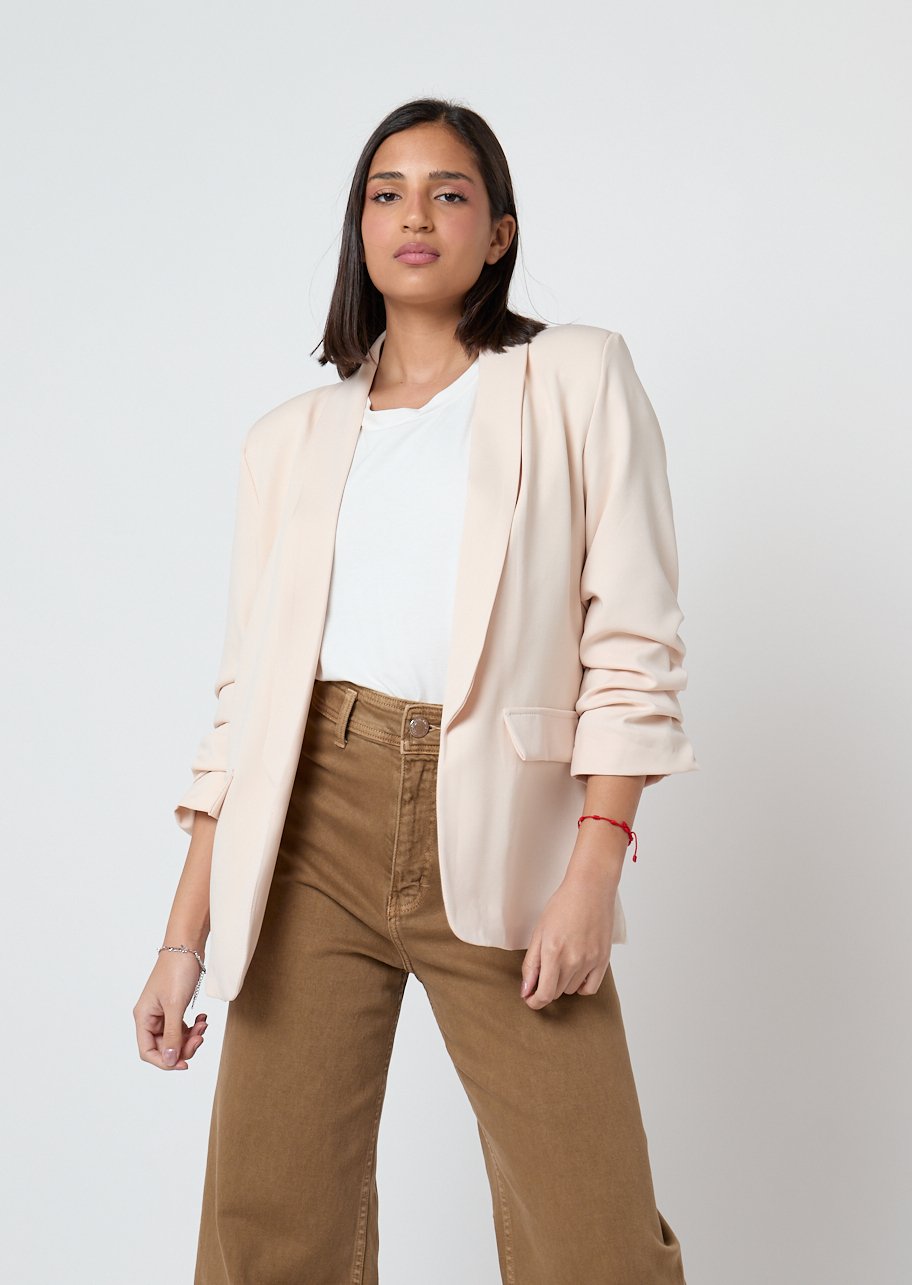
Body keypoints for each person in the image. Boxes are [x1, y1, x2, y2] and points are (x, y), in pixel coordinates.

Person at [133, 96, 700, 1284]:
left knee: (594, 1235)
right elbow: (244, 712)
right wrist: (184, 939)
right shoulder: (287, 441)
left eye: (450, 192)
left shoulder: (575, 377)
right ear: (359, 228)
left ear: (499, 232)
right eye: (386, 192)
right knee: (269, 1230)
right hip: (310, 819)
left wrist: (595, 862)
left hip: (503, 821)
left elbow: (632, 639)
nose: (416, 216)